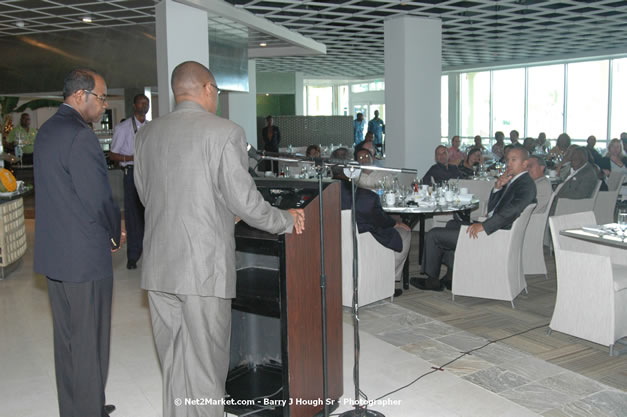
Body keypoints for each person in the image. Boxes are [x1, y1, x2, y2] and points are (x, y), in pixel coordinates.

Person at [133, 61, 305, 417]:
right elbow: (247, 202)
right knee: (206, 370)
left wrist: (220, 209)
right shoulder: (225, 132)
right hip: (203, 269)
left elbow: (147, 195)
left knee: (175, 365)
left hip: (159, 267)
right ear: (209, 89)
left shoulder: (147, 134)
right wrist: (285, 219)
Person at [34, 68, 124, 417]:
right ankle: (89, 410)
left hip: (55, 254)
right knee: (90, 338)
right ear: (80, 96)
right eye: (100, 98)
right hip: (85, 256)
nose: (103, 106)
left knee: (68, 339)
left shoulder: (48, 131)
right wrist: (114, 231)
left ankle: (75, 407)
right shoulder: (80, 136)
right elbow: (98, 197)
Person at [412, 147, 536, 291]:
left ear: (525, 163)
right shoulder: (516, 181)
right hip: (497, 229)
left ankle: (432, 281)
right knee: (452, 224)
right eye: (508, 159)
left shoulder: (525, 185)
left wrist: (484, 226)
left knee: (433, 234)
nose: (509, 163)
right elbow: (493, 209)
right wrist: (497, 187)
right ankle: (451, 276)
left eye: (514, 160)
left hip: (496, 234)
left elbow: (511, 212)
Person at [334, 147, 410, 297]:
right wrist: (395, 223)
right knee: (405, 233)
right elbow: (380, 220)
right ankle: (387, 281)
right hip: (364, 240)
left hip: (335, 240)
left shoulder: (322, 193)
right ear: (352, 168)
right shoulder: (367, 197)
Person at [109, 93, 150, 269]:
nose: (144, 106)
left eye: (146, 103)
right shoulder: (123, 128)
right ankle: (133, 256)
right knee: (133, 215)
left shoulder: (151, 127)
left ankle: (149, 254)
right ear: (134, 106)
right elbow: (112, 154)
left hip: (149, 174)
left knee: (149, 214)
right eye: (141, 103)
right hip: (131, 172)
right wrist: (131, 157)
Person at [549, 147, 599, 215]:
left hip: (568, 207)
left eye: (576, 159)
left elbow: (580, 195)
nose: (572, 161)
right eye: (572, 158)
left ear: (584, 159)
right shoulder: (576, 169)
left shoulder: (588, 174)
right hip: (560, 202)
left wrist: (557, 197)